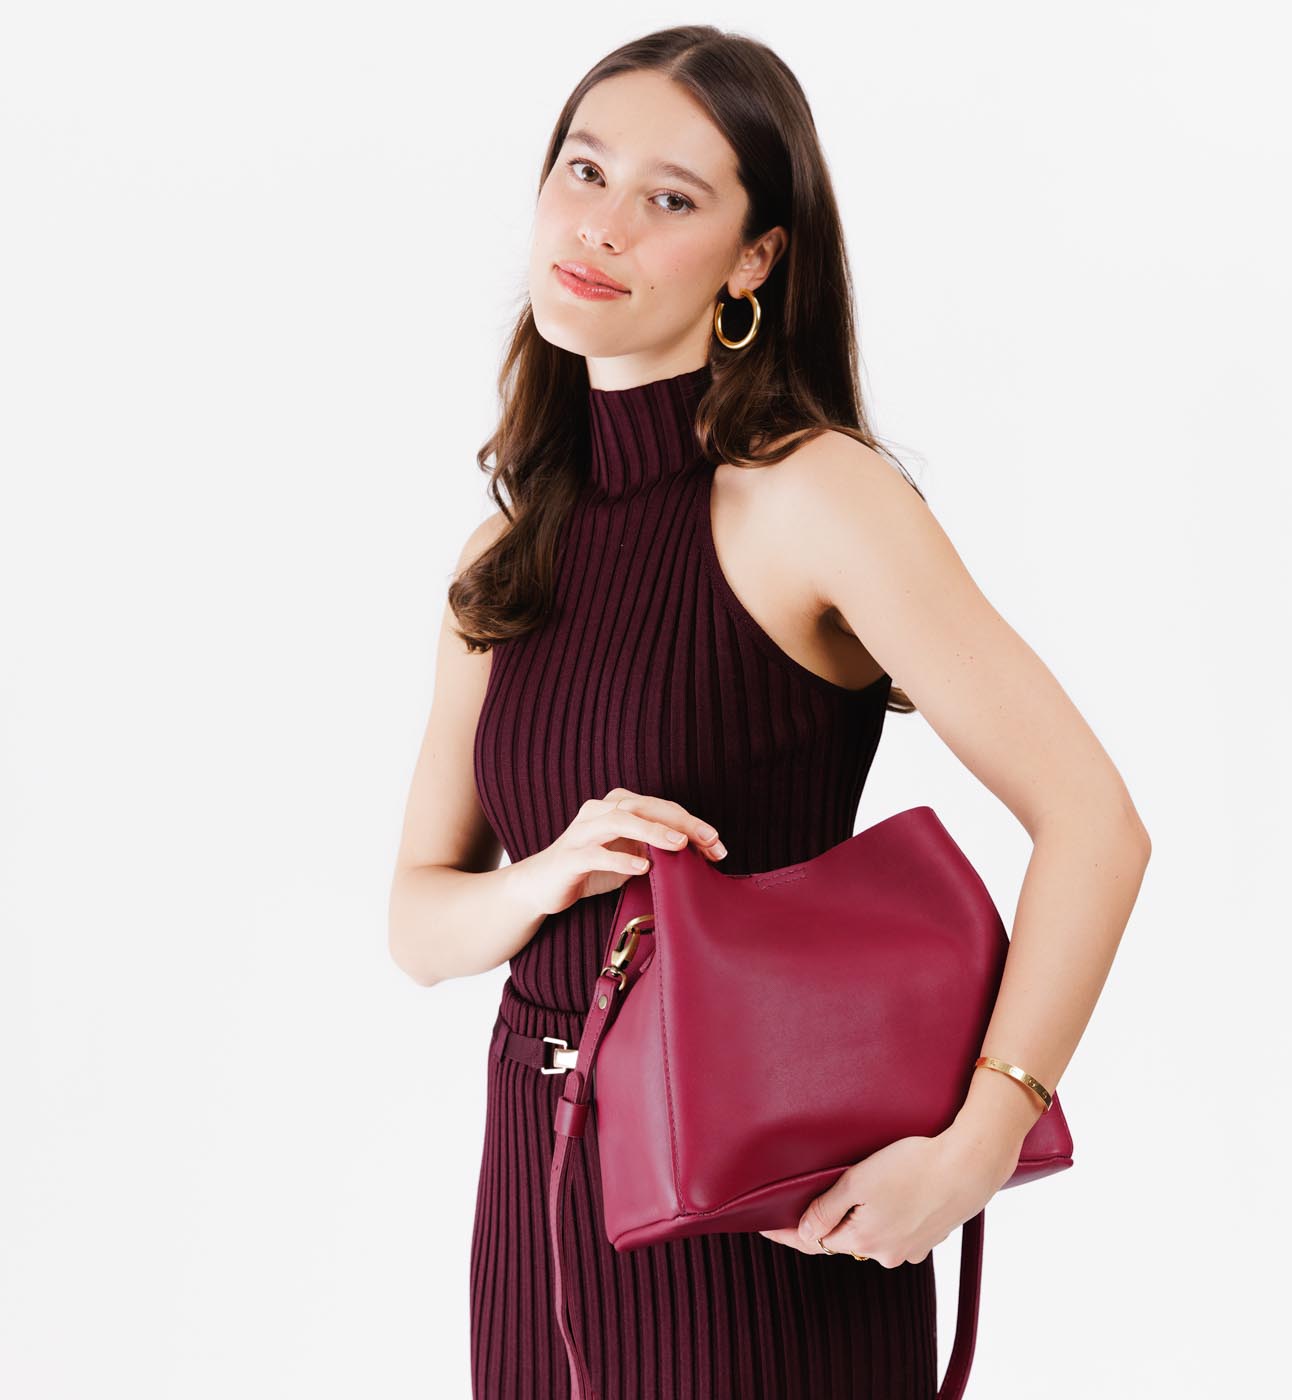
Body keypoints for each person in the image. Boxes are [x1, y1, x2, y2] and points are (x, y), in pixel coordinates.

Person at [388, 25, 1151, 1400]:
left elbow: (1096, 823)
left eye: (671, 198)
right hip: (539, 1196)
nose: (603, 225)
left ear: (754, 259)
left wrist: (981, 1143)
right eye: (585, 170)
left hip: (766, 1208)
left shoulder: (812, 496)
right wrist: (550, 875)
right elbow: (417, 918)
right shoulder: (502, 558)